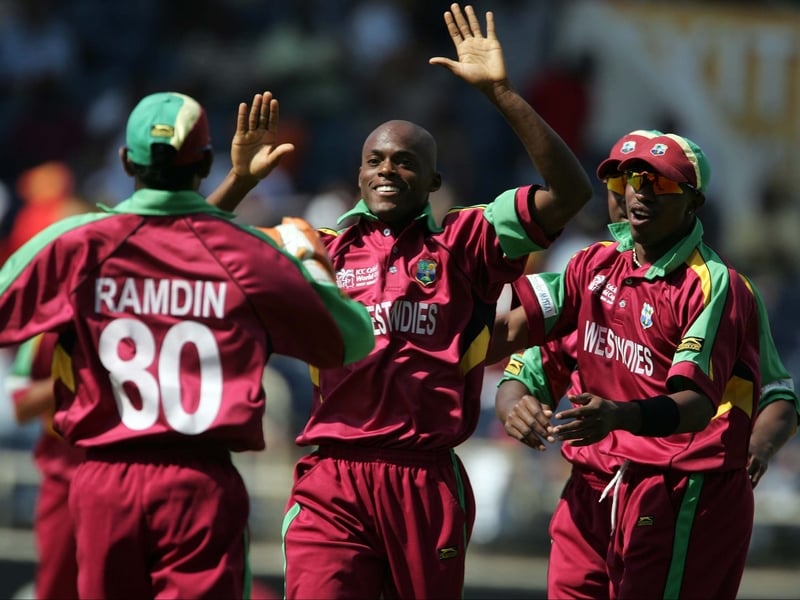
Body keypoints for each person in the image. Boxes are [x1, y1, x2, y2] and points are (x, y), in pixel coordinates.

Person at [210, 4, 593, 597]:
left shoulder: (467, 242)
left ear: (434, 182)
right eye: (376, 160)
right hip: (331, 480)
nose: (388, 169)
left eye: (406, 161)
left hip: (424, 479)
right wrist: (237, 182)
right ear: (359, 174)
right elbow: (194, 252)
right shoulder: (318, 249)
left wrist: (503, 95)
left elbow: (569, 194)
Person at [0, 90, 375, 599]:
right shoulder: (252, 252)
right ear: (204, 161)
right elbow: (348, 344)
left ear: (125, 161)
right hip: (199, 486)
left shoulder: (74, 243)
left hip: (102, 484)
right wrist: (311, 264)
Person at [495, 130, 800, 599]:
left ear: (694, 202)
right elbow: (520, 345)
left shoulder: (718, 287)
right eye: (625, 182)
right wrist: (512, 399)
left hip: (678, 491)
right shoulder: (592, 266)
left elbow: (770, 393)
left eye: (658, 184)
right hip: (592, 489)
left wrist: (756, 447)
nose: (637, 194)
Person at [6, 332, 84, 600]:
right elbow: (21, 405)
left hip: (131, 475)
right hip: (63, 479)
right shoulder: (42, 330)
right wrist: (79, 377)